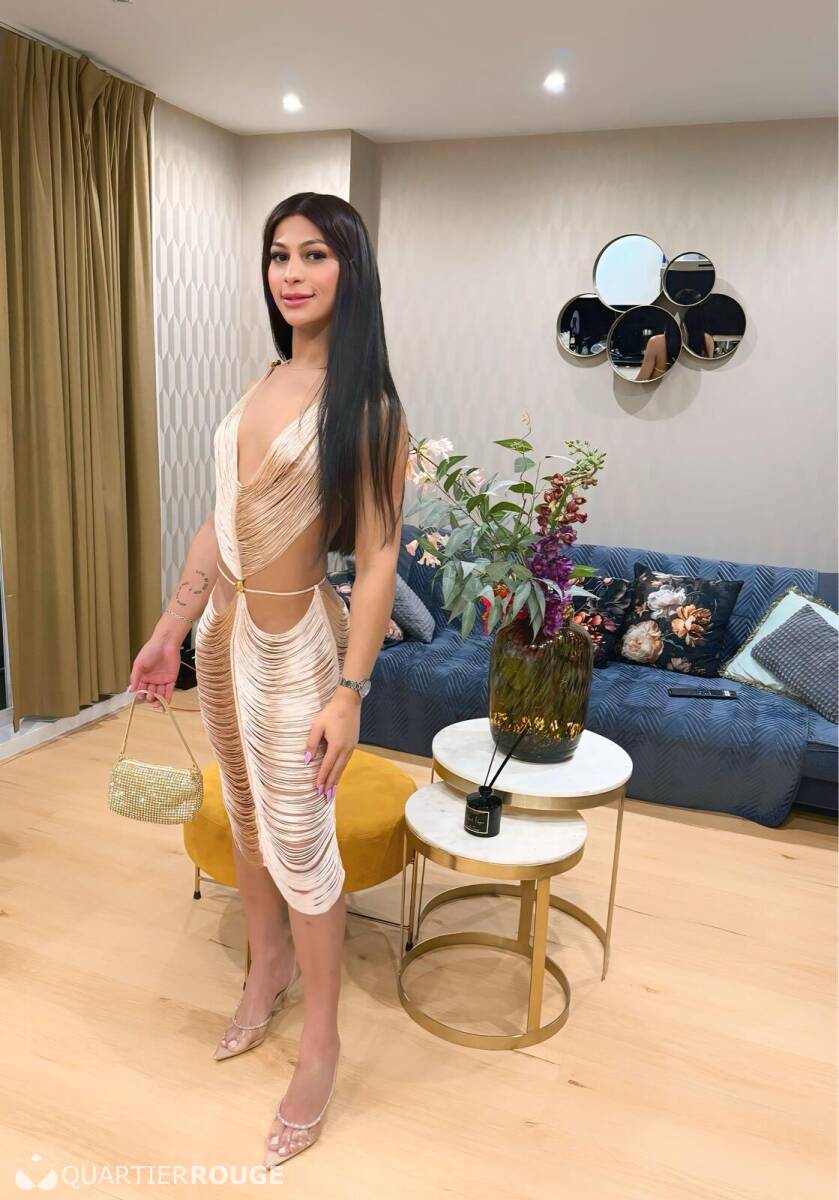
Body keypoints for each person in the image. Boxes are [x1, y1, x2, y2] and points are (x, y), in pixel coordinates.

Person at [127, 192, 409, 1168]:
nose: (291, 273)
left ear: (350, 270)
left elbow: (377, 558)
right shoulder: (262, 382)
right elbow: (218, 518)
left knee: (302, 844)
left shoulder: (368, 409)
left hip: (297, 654)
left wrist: (350, 692)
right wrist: (171, 626)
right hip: (222, 637)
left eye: (314, 255)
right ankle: (266, 967)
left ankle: (321, 1042)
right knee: (245, 815)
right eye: (279, 255)